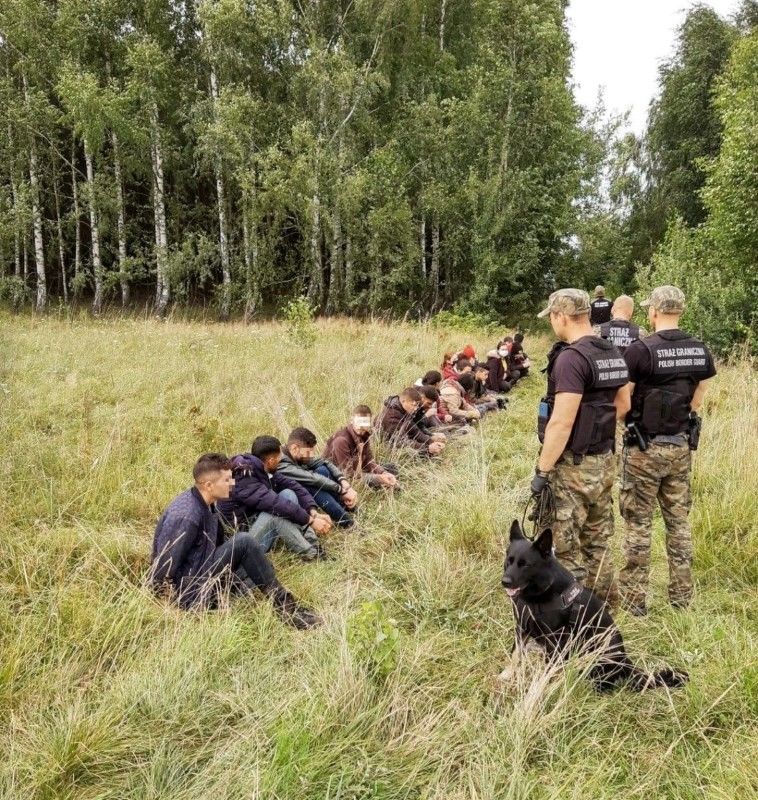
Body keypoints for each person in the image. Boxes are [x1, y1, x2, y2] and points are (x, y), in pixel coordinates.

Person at [618, 286, 716, 616]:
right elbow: (699, 397)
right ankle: (681, 598)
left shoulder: (640, 350)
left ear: (655, 312)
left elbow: (624, 401)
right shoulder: (700, 350)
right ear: (681, 311)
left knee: (638, 525)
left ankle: (634, 602)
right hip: (679, 447)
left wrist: (625, 421)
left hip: (644, 448)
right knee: (678, 524)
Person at [531, 288, 631, 606]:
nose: (552, 324)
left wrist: (542, 471)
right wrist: (597, 426)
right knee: (598, 539)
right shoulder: (612, 351)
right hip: (604, 461)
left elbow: (561, 422)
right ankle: (605, 607)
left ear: (561, 316)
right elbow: (623, 404)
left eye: (552, 318)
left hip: (573, 465)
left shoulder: (571, 358)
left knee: (563, 545)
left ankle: (574, 618)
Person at [150, 453, 320, 628]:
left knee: (260, 566)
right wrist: (171, 607)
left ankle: (235, 592)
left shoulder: (205, 501)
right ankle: (287, 612)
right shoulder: (187, 516)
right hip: (191, 591)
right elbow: (163, 567)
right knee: (244, 542)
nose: (232, 484)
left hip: (203, 568)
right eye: (227, 480)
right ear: (208, 485)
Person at [219, 436, 333, 562]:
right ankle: (312, 555)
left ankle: (314, 544)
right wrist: (311, 521)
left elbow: (293, 486)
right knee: (275, 515)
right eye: (280, 456)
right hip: (241, 544)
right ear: (271, 460)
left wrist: (312, 511)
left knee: (288, 493)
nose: (281, 459)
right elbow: (275, 504)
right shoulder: (244, 478)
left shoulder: (261, 469)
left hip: (253, 522)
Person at [277, 427, 358, 528]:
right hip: (287, 503)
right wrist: (341, 491)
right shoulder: (280, 463)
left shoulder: (296, 454)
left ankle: (347, 506)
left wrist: (343, 481)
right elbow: (312, 478)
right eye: (308, 452)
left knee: (322, 469)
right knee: (312, 486)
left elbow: (325, 461)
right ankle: (348, 523)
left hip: (303, 494)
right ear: (295, 448)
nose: (311, 456)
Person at [324, 406, 400, 490]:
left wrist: (384, 473)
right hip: (338, 478)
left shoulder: (364, 436)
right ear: (352, 420)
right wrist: (379, 478)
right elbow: (348, 475)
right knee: (380, 480)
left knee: (391, 468)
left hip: (358, 470)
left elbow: (368, 462)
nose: (361, 426)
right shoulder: (341, 440)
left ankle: (388, 481)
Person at [376, 387, 446, 456]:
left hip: (397, 443)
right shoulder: (392, 416)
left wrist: (430, 441)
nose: (416, 409)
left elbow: (414, 431)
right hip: (385, 448)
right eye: (414, 405)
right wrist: (428, 448)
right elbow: (401, 442)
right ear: (404, 401)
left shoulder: (404, 410)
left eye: (417, 406)